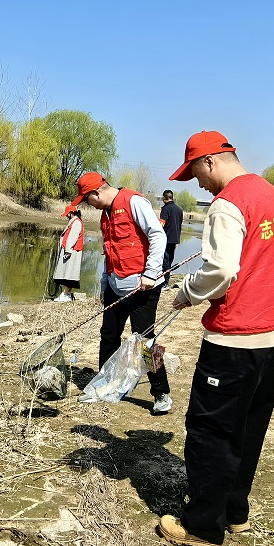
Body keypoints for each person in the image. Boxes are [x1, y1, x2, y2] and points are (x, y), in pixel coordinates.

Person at [157, 131, 274, 546]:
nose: (196, 183)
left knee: (212, 429)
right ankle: (234, 510)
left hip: (235, 337)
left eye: (195, 172)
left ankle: (202, 526)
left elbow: (220, 271)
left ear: (211, 161)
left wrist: (185, 292)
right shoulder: (273, 195)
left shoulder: (228, 203)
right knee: (250, 424)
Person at [68, 172, 170, 415]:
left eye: (87, 200)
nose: (88, 205)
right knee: (108, 335)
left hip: (142, 287)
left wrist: (151, 272)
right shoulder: (106, 214)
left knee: (144, 342)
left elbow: (158, 235)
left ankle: (161, 393)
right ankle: (106, 384)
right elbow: (109, 251)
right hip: (115, 286)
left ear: (97, 193)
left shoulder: (134, 202)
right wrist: (104, 284)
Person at [52, 206, 84, 302]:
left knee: (69, 275)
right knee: (66, 273)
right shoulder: (74, 221)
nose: (67, 216)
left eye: (67, 214)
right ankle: (65, 294)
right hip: (70, 251)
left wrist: (68, 251)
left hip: (72, 252)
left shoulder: (76, 222)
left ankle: (66, 295)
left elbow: (72, 237)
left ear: (71, 213)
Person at [159, 190, 184, 274]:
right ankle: (166, 280)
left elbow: (161, 224)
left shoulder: (166, 208)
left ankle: (164, 282)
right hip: (175, 238)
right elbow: (180, 225)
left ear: (164, 198)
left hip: (166, 238)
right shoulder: (179, 210)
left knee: (164, 261)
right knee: (170, 260)